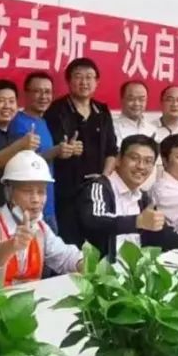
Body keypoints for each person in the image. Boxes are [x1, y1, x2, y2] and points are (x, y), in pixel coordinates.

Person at [0, 151, 83, 286]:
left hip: (26, 298)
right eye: (27, 191)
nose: (36, 199)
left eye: (41, 192)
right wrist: (12, 245)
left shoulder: (40, 227)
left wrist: (83, 264)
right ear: (9, 192)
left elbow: (65, 256)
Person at [77, 135, 178, 259]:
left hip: (134, 268)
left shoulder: (143, 198)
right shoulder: (99, 187)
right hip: (100, 267)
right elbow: (93, 220)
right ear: (118, 159)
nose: (141, 166)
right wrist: (137, 221)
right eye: (134, 158)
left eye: (148, 161)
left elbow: (162, 235)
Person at [45, 57, 119, 246]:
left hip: (97, 190)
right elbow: (48, 150)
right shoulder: (55, 110)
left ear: (97, 81)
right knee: (70, 245)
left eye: (89, 77)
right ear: (68, 81)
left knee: (99, 242)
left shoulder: (102, 111)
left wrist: (104, 178)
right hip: (67, 191)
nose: (84, 82)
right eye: (78, 77)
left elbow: (112, 150)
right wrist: (63, 150)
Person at [7, 71, 74, 232]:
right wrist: (56, 151)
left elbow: (44, 157)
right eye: (37, 91)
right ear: (26, 93)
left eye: (47, 92)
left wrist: (63, 151)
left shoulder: (42, 121)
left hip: (46, 204)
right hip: (29, 209)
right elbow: (26, 164)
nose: (43, 96)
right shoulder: (19, 123)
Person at [0, 79, 40, 216]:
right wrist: (20, 145)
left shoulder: (15, 131)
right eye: (1, 101)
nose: (7, 106)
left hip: (15, 210)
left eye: (11, 101)